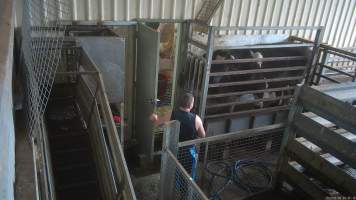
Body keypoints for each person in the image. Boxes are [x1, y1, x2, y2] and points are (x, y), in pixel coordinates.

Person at [150, 93, 206, 177]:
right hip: (188, 152)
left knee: (172, 174)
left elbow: (158, 122)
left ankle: (173, 188)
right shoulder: (196, 119)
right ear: (191, 105)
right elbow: (203, 135)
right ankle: (186, 189)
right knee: (188, 176)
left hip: (173, 151)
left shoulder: (171, 114)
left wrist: (154, 117)